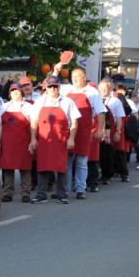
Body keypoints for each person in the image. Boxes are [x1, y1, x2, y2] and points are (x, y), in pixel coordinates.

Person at [29, 75, 81, 204]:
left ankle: (62, 194)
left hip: (61, 139)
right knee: (42, 166)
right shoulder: (40, 102)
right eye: (50, 87)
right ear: (46, 87)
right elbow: (34, 122)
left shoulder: (68, 102)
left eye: (55, 87)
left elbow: (74, 123)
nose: (52, 89)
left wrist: (71, 139)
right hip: (44, 138)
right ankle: (41, 194)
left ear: (59, 87)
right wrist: (33, 139)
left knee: (61, 166)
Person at [59, 68, 106, 199]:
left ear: (84, 77)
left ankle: (80, 189)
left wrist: (100, 130)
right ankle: (65, 190)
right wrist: (56, 69)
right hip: (67, 131)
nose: (74, 79)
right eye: (73, 76)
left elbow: (101, 112)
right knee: (67, 162)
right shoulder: (66, 90)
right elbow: (49, 83)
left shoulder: (92, 92)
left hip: (84, 131)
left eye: (77, 77)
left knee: (81, 162)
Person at [0, 83, 33, 202]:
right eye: (12, 91)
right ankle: (7, 193)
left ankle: (26, 193)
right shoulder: (4, 106)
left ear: (21, 92)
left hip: (23, 141)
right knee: (8, 167)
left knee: (25, 168)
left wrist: (33, 140)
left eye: (17, 91)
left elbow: (33, 125)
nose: (15, 93)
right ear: (9, 93)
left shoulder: (28, 106)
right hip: (8, 142)